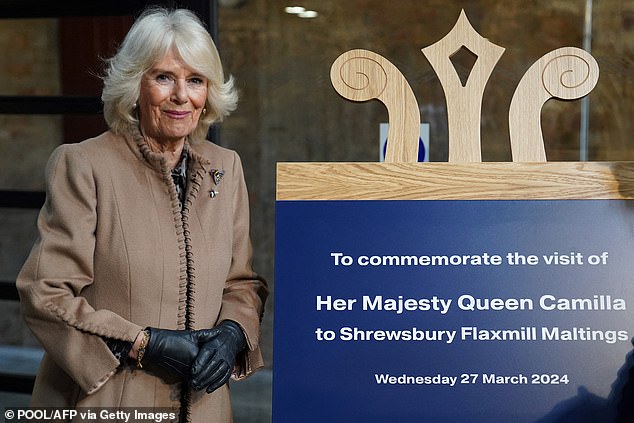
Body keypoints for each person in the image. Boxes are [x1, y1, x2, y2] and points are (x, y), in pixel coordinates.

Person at [16, 7, 268, 422]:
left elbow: (240, 283)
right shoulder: (84, 164)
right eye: (164, 77)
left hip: (205, 408)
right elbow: (45, 294)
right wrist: (143, 343)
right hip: (108, 402)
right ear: (135, 84)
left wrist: (232, 333)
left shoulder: (227, 166)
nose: (181, 96)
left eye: (196, 80)